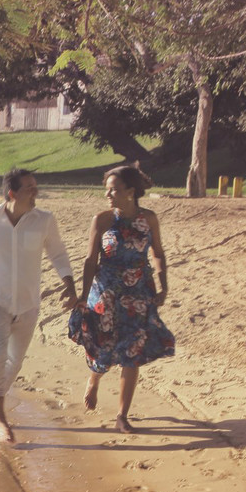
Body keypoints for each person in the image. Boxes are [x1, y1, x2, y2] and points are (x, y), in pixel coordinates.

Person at [0, 168, 77, 444]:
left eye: (36, 186)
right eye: (29, 188)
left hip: (29, 302)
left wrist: (69, 283)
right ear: (12, 193)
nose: (36, 192)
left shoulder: (44, 220)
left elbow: (57, 252)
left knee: (15, 361)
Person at [68, 165, 175, 433]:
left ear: (130, 191)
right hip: (106, 291)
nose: (108, 195)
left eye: (113, 189)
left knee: (133, 351)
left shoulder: (149, 219)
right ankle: (94, 379)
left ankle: (121, 416)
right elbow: (91, 260)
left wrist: (163, 286)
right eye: (107, 189)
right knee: (103, 345)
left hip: (139, 292)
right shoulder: (102, 220)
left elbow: (158, 253)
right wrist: (83, 295)